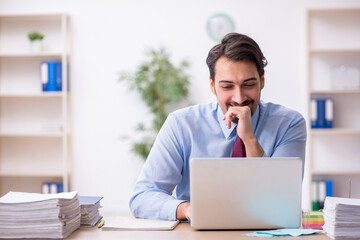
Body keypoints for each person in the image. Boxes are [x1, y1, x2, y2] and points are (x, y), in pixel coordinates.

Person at [129, 33, 306, 222]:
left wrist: (249, 138)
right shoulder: (181, 124)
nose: (239, 98)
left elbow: (281, 202)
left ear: (262, 81)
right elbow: (142, 197)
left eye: (249, 84)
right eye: (227, 87)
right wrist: (187, 209)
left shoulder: (289, 124)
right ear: (212, 86)